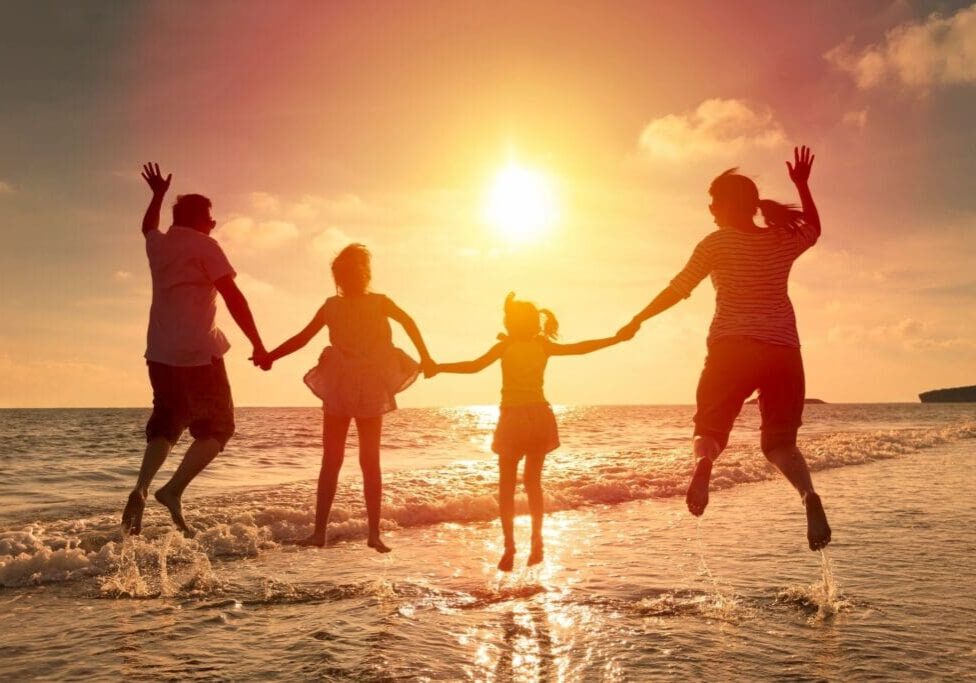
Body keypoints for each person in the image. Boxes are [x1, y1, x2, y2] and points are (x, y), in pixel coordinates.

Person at [618, 146, 831, 551]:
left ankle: (704, 465)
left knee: (709, 430)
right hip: (783, 353)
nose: (710, 210)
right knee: (780, 444)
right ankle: (808, 495)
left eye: (713, 202)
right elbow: (814, 230)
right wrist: (803, 187)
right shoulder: (780, 240)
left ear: (727, 205)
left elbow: (678, 289)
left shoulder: (715, 244)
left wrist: (639, 318)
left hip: (731, 348)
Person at [428, 293, 633, 571]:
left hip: (513, 418)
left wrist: (438, 367)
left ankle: (509, 546)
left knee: (506, 487)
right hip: (539, 416)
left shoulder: (506, 346)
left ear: (512, 323)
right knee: (533, 483)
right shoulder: (542, 345)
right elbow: (581, 348)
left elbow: (473, 366)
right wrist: (615, 338)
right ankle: (537, 541)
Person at [255, 243, 433, 552]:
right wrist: (426, 357)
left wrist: (271, 355)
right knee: (369, 460)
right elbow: (409, 323)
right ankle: (373, 533)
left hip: (340, 384)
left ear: (339, 278)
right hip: (367, 385)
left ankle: (320, 532)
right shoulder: (377, 302)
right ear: (365, 275)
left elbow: (301, 338)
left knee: (332, 459)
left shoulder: (332, 306)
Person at [121, 163, 267, 538]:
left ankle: (140, 485)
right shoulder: (206, 245)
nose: (213, 224)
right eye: (211, 218)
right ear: (203, 220)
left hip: (159, 352)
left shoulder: (161, 244)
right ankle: (172, 490)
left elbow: (147, 228)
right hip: (200, 353)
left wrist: (156, 196)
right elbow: (234, 297)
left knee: (167, 422)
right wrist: (258, 343)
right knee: (219, 427)